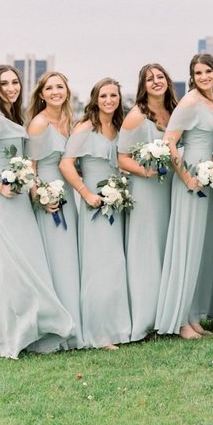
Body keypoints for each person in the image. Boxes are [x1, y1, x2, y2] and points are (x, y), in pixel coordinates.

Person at [0, 64, 74, 357]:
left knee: (23, 264)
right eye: (4, 84)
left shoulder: (11, 114)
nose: (11, 88)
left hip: (18, 198)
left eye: (15, 82)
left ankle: (25, 329)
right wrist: (0, 187)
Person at [156, 54, 213, 339]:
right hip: (192, 179)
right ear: (192, 77)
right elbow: (168, 143)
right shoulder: (189, 102)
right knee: (186, 245)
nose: (204, 77)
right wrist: (186, 177)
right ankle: (180, 320)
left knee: (201, 246)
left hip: (211, 178)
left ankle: (193, 316)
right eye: (198, 73)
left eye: (208, 71)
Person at [61, 78, 132, 349]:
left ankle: (118, 328)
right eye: (103, 96)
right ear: (95, 98)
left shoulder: (119, 127)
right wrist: (86, 193)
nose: (109, 100)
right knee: (99, 265)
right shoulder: (85, 127)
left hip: (118, 202)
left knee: (117, 264)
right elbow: (66, 164)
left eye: (113, 95)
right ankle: (97, 333)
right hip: (95, 204)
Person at [118, 63, 178, 342]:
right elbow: (122, 158)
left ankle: (168, 312)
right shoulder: (136, 116)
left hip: (169, 189)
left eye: (160, 77)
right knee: (147, 248)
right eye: (150, 79)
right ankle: (145, 318)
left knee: (167, 246)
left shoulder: (175, 111)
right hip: (146, 188)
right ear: (142, 85)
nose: (156, 82)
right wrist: (146, 171)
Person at [26, 71, 82, 350]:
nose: (55, 92)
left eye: (60, 87)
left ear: (67, 92)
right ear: (41, 94)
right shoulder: (38, 124)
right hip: (50, 201)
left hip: (69, 196)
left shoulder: (69, 121)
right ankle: (58, 329)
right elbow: (30, 169)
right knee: (56, 261)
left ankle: (74, 322)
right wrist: (42, 198)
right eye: (49, 88)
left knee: (70, 259)